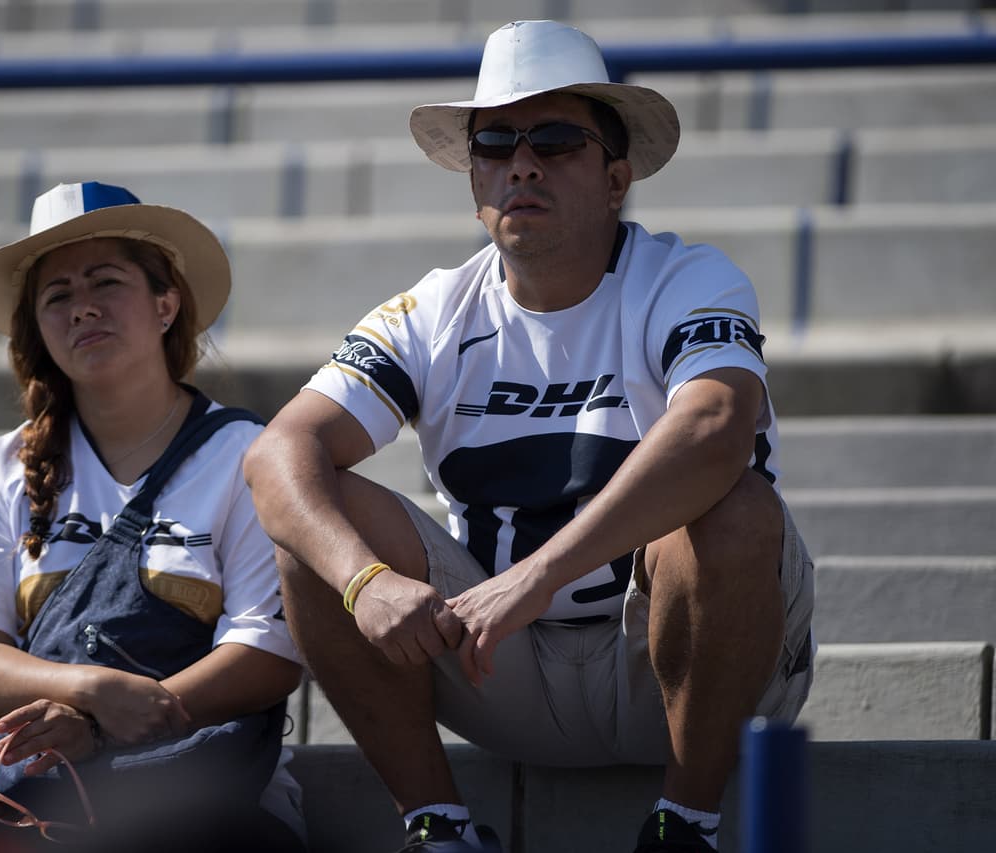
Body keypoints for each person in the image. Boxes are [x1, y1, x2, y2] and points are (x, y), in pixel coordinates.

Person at [243, 21, 814, 853]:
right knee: (314, 530)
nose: (522, 162)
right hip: (501, 670)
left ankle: (686, 824)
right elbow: (276, 453)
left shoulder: (690, 277)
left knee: (731, 509)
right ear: (473, 178)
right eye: (496, 143)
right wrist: (365, 581)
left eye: (555, 139)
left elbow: (718, 424)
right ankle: (438, 827)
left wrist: (540, 576)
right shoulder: (434, 308)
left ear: (617, 178)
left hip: (677, 667)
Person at [0, 181, 306, 853]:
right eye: (57, 296)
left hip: (209, 782)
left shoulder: (249, 455)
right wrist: (88, 689)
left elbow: (265, 658)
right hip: (24, 782)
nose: (83, 307)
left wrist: (107, 724)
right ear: (39, 329)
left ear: (166, 304)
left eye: (106, 282)